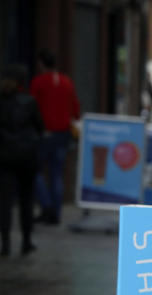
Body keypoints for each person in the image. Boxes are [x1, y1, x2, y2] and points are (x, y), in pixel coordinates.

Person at [30, 50, 80, 225]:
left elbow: (31, 107)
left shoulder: (38, 83)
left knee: (34, 171)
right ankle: (55, 212)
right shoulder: (66, 82)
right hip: (63, 133)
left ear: (42, 64)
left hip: (45, 134)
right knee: (57, 174)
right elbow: (75, 108)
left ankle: (47, 205)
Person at [0, 64, 43, 256]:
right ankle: (26, 241)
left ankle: (6, 243)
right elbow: (40, 127)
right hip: (26, 157)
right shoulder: (29, 101)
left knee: (5, 202)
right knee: (26, 200)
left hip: (5, 157)